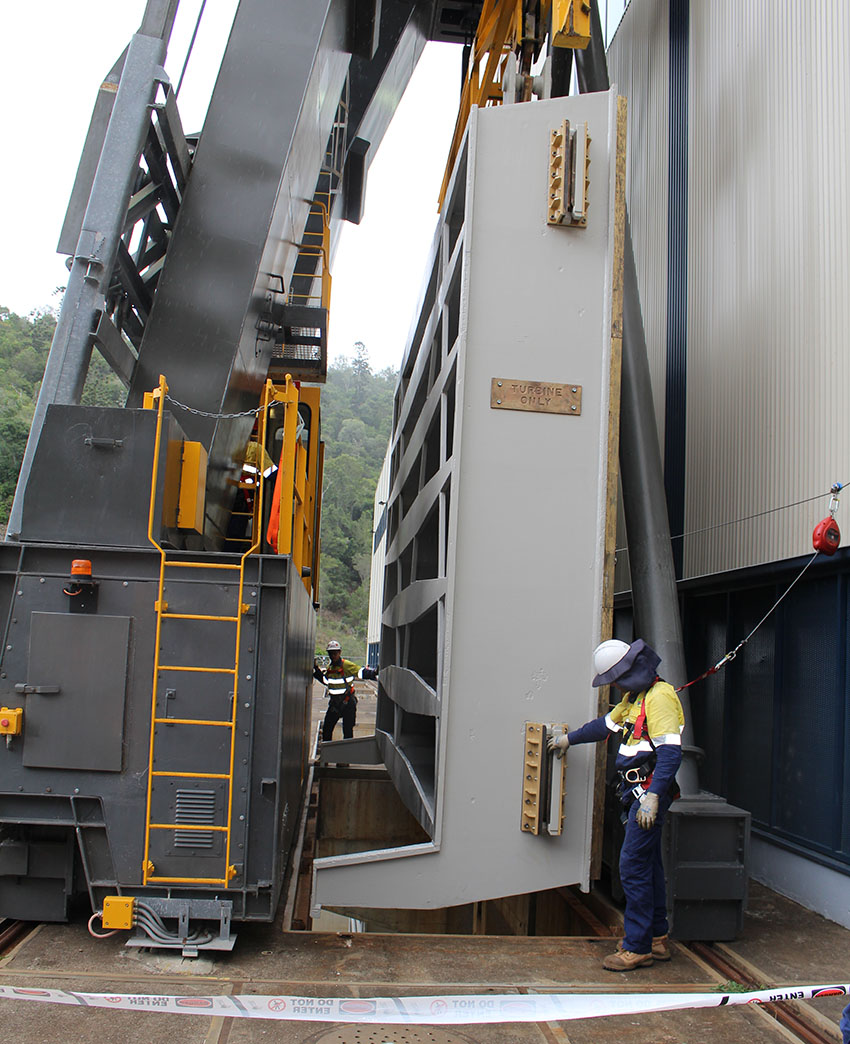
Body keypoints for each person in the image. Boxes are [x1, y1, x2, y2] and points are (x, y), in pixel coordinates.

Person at [548, 638, 684, 972]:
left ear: (630, 671)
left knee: (633, 868)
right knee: (648, 865)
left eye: (616, 679)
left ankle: (637, 947)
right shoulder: (634, 698)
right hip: (638, 794)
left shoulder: (660, 698)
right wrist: (569, 740)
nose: (616, 686)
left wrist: (653, 796)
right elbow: (604, 726)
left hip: (647, 795)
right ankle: (657, 938)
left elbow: (670, 753)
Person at [316, 640, 377, 741]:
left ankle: (346, 755)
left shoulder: (346, 665)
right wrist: (316, 672)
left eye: (335, 653)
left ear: (339, 652)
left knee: (348, 731)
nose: (333, 655)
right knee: (327, 729)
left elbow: (360, 672)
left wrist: (373, 673)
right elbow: (326, 681)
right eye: (331, 653)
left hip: (348, 703)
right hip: (335, 704)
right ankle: (327, 754)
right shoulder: (330, 668)